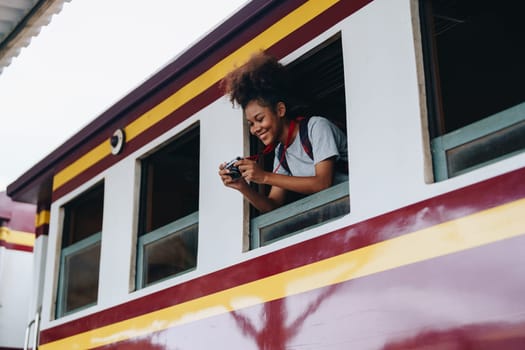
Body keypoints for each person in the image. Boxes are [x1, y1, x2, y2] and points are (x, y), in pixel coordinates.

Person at [218, 52, 348, 213]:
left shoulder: (316, 127)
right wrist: (242, 187)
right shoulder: (281, 152)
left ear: (280, 110)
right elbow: (273, 206)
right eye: (251, 124)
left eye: (260, 119)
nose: (255, 129)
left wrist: (263, 176)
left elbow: (322, 183)